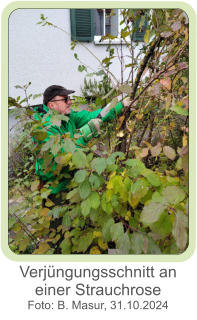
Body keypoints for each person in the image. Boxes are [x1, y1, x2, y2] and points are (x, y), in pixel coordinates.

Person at [33, 85, 131, 197]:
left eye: (69, 98)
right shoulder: (43, 129)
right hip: (54, 191)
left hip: (72, 182)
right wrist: (86, 133)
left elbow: (95, 115)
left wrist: (121, 105)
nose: (69, 102)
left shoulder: (67, 117)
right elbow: (61, 156)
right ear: (51, 105)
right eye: (65, 99)